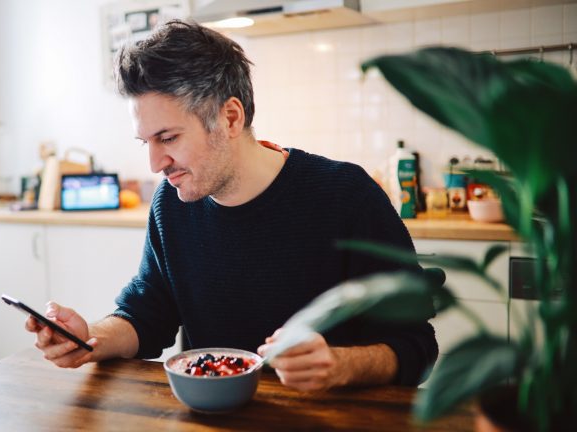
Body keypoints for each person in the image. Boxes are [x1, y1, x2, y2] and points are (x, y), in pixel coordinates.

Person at [27, 20, 438, 391]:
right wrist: (89, 340)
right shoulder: (171, 204)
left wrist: (341, 364)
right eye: (146, 142)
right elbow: (147, 314)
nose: (155, 164)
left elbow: (416, 345)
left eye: (168, 138)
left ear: (230, 118)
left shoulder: (346, 196)